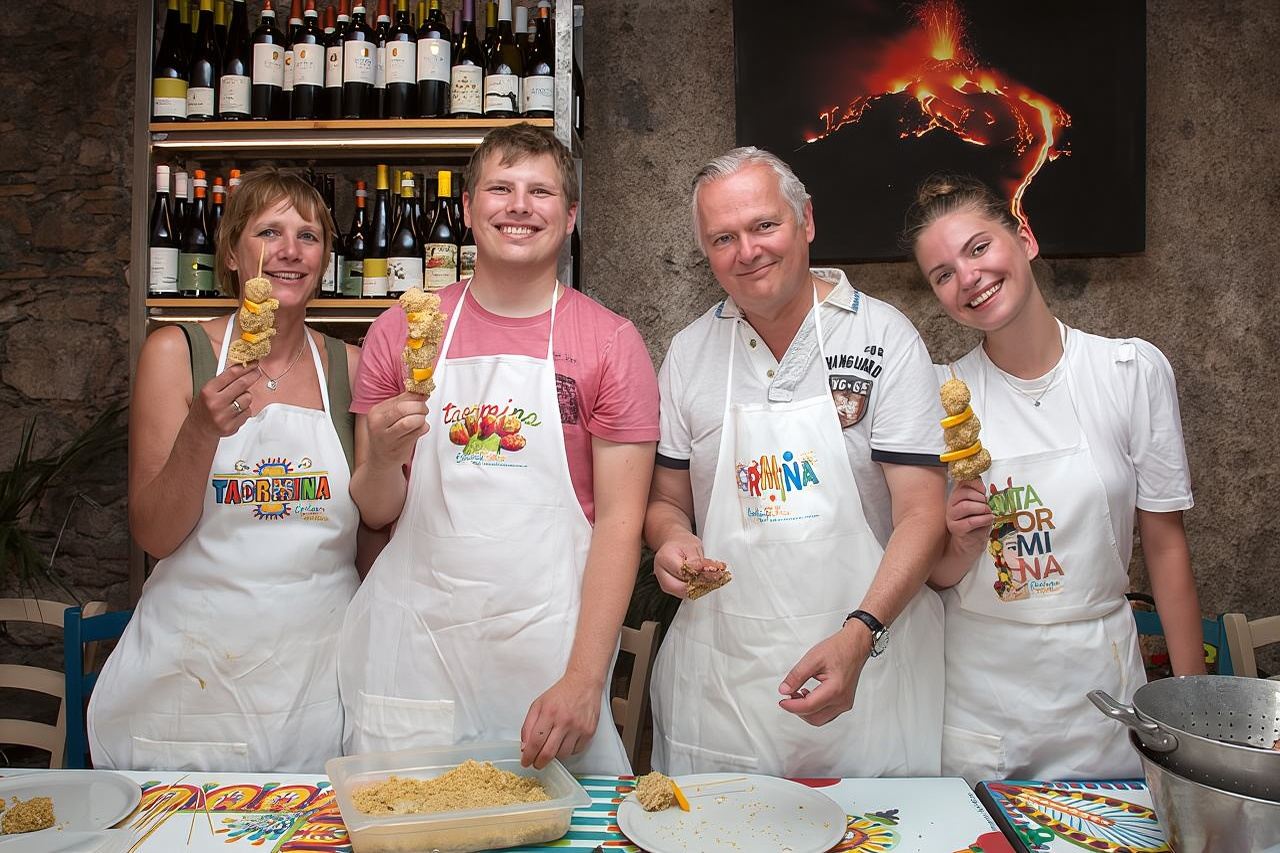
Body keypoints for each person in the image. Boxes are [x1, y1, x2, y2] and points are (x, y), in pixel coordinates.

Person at [339, 123, 658, 775]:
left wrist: (583, 678)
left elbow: (622, 527)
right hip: (415, 648)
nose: (519, 205)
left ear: (569, 216)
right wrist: (378, 454)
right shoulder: (402, 332)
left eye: (540, 191)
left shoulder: (609, 343)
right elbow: (375, 510)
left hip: (546, 655)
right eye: (501, 188)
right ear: (467, 208)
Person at [645, 147, 947, 778]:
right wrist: (672, 542)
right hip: (723, 685)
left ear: (806, 221)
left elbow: (922, 514)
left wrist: (860, 633)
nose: (747, 251)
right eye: (723, 237)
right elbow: (668, 501)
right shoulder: (690, 353)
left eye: (764, 226)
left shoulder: (883, 337)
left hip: (869, 672)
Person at [905, 174, 1206, 784]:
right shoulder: (937, 395)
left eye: (979, 248)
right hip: (982, 696)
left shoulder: (1129, 372)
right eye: (942, 273)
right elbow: (934, 575)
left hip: (1102, 690)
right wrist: (959, 543)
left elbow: (1166, 544)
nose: (967, 278)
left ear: (1026, 240)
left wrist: (1191, 712)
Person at [90, 168, 363, 772]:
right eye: (269, 231)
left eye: (309, 236)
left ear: (325, 259)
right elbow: (155, 534)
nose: (290, 251)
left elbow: (369, 536)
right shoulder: (177, 353)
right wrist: (201, 432)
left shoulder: (351, 367)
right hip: (194, 675)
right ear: (234, 254)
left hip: (315, 682)